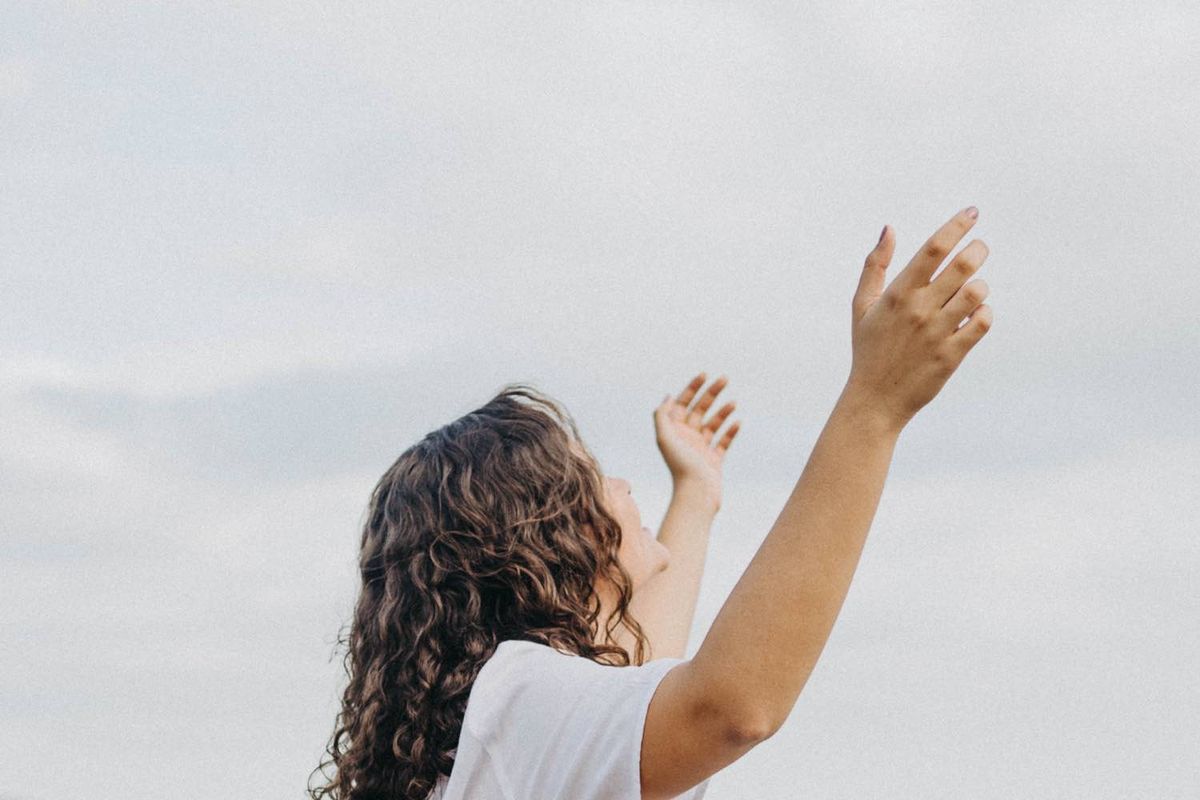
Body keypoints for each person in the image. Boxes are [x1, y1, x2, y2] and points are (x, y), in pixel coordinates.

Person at [308, 206, 993, 799]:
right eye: (594, 478)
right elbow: (729, 706)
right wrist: (874, 406)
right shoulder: (515, 699)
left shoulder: (498, 728)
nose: (623, 487)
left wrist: (695, 494)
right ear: (539, 539)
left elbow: (643, 672)